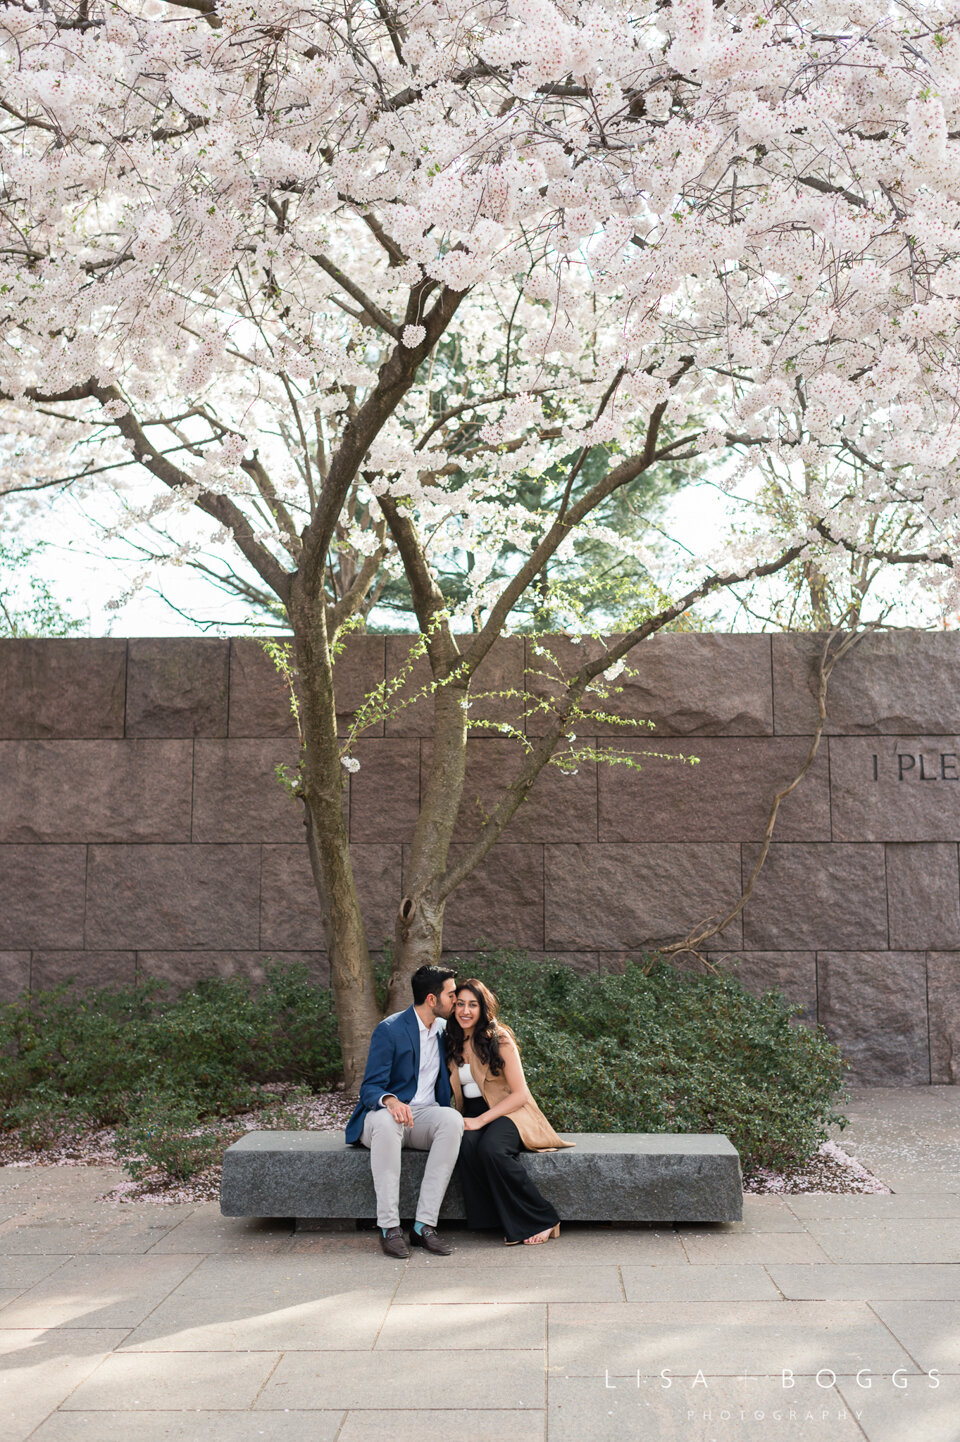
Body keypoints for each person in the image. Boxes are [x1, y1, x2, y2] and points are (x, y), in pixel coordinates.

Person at [345, 963, 464, 1259]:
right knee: (386, 1123)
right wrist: (390, 1100)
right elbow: (369, 1087)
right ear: (432, 999)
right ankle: (389, 1227)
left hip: (422, 1118)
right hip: (384, 1120)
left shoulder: (443, 1031)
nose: (457, 1001)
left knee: (451, 1119)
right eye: (452, 995)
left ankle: (424, 1226)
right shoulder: (390, 1029)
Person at [445, 977, 573, 1246]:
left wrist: (481, 1120)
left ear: (483, 1008)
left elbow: (521, 1094)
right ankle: (500, 1221)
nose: (465, 1011)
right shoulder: (453, 1041)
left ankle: (545, 1218)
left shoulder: (499, 1039)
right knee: (466, 1145)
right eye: (459, 1004)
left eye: (472, 1005)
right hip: (476, 1112)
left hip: (511, 1111)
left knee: (491, 1149)